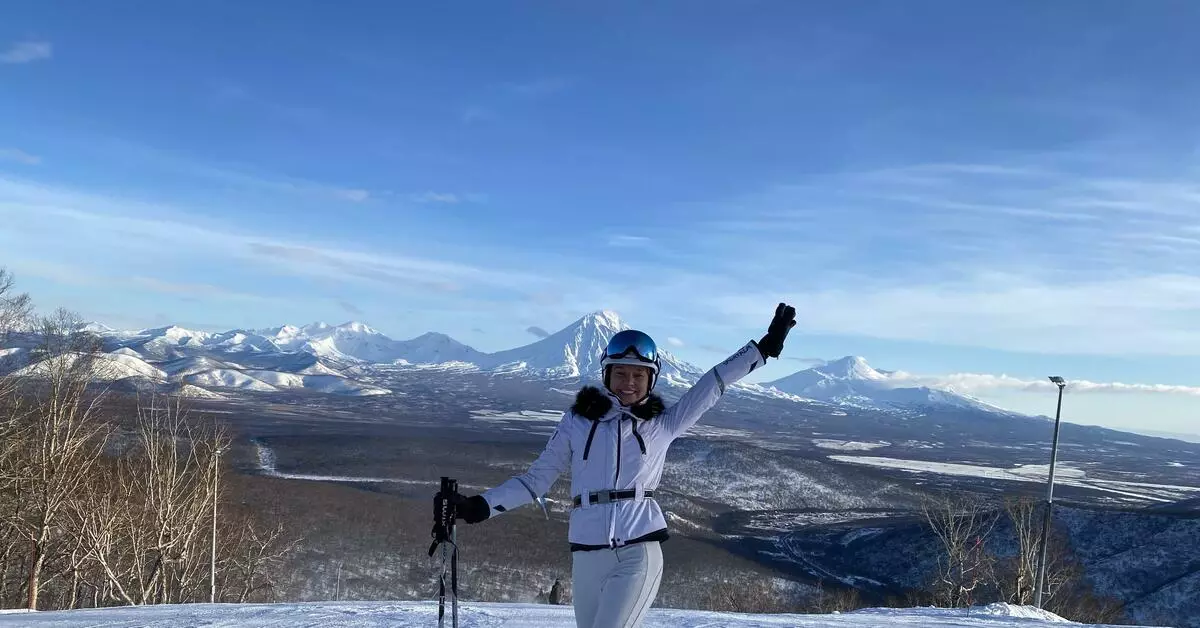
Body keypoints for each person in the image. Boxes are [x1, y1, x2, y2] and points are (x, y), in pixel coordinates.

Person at [434, 303, 797, 628]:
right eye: (621, 373)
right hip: (587, 554)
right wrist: (478, 506)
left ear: (650, 379)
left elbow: (712, 384)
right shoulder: (576, 422)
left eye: (638, 375)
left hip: (638, 550)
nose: (629, 383)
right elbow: (536, 480)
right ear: (607, 375)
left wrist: (763, 349)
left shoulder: (663, 424)